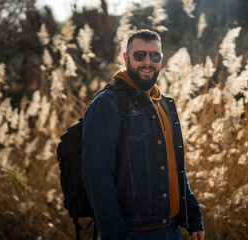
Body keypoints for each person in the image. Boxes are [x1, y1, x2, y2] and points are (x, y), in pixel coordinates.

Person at [82, 29, 205, 240]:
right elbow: (97, 177)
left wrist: (193, 217)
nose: (147, 62)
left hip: (173, 229)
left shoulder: (165, 104)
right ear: (126, 58)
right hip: (134, 234)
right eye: (140, 55)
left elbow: (175, 167)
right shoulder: (107, 104)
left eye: (154, 56)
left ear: (161, 60)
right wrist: (117, 235)